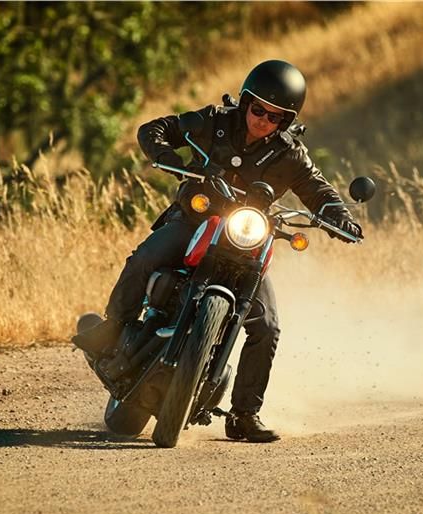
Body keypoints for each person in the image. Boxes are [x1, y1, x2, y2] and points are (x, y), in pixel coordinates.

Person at [74, 60, 363, 443]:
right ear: (245, 102)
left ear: (286, 121)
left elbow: (318, 188)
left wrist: (339, 217)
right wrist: (168, 157)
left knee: (267, 326)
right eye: (258, 109)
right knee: (145, 258)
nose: (263, 120)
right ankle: (111, 329)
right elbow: (155, 129)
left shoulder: (291, 154)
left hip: (246, 239)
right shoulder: (214, 122)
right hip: (194, 220)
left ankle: (244, 415)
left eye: (275, 116)